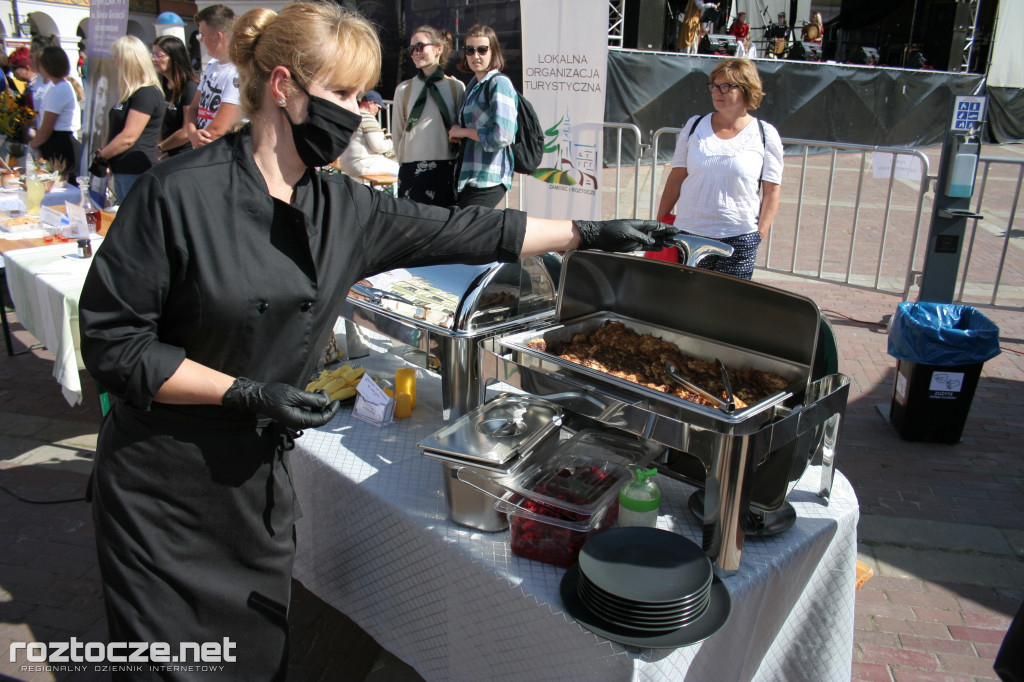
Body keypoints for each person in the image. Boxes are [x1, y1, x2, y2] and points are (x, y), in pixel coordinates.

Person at [78, 5, 676, 680]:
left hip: (254, 498)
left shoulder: (342, 207)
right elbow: (113, 344)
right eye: (342, 94)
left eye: (363, 95)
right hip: (162, 494)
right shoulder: (176, 195)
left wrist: (587, 235)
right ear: (283, 85)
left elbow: (471, 232)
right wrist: (244, 392)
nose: (359, 112)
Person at [654, 58, 782, 280]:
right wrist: (660, 221)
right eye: (714, 85)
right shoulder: (694, 126)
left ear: (746, 89)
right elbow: (676, 177)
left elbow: (772, 191)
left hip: (738, 239)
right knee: (684, 303)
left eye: (726, 86)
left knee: (726, 308)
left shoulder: (765, 134)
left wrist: (759, 233)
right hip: (688, 234)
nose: (717, 92)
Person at [391, 25, 464, 206]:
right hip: (411, 167)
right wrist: (403, 160)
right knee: (412, 228)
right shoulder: (404, 89)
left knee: (445, 228)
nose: (416, 52)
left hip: (445, 167)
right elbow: (397, 132)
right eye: (412, 49)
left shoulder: (456, 87)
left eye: (420, 46)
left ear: (438, 49)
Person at [448, 25, 515, 209]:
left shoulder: (499, 83)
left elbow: (502, 136)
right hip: (469, 176)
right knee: (473, 234)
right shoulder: (473, 85)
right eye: (470, 50)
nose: (475, 56)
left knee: (469, 234)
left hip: (489, 178)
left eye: (482, 50)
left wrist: (463, 132)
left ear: (493, 52)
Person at [94, 36, 166, 201]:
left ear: (128, 61)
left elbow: (128, 137)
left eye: (117, 59)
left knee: (134, 219)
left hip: (134, 169)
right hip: (122, 168)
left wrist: (102, 156)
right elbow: (115, 129)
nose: (115, 64)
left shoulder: (146, 94)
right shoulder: (131, 94)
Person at [186, 4, 242, 149]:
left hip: (221, 152)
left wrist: (196, 145)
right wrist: (192, 133)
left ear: (218, 37)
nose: (201, 40)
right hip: (202, 148)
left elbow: (219, 129)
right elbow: (193, 108)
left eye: (203, 35)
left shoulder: (238, 71)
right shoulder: (211, 65)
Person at [27, 46, 81, 185]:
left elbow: (46, 128)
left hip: (59, 143)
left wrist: (32, 145)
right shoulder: (58, 86)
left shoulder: (59, 89)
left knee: (60, 185)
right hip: (58, 140)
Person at [152, 35, 200, 158]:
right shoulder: (161, 85)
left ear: (174, 57)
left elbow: (186, 131)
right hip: (166, 155)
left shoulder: (190, 86)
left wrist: (160, 148)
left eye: (159, 55)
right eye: (153, 55)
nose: (154, 59)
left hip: (183, 156)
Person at [338, 89, 398, 179]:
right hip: (361, 164)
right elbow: (379, 146)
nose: (378, 110)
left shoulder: (352, 116)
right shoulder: (367, 118)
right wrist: (391, 143)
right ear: (371, 104)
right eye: (378, 107)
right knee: (399, 170)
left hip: (346, 163)